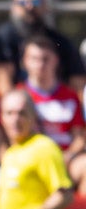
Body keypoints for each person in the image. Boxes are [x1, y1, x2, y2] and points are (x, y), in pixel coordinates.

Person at [0, 0, 86, 94]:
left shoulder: (59, 41)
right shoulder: (3, 38)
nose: (29, 6)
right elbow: (3, 83)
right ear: (13, 6)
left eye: (35, 2)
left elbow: (78, 83)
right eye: (22, 2)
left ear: (44, 5)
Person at [17, 35, 86, 186]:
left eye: (45, 59)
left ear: (56, 60)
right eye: (34, 59)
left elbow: (80, 136)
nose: (40, 64)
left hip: (67, 160)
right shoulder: (18, 96)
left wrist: (67, 156)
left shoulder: (70, 95)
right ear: (25, 61)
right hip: (33, 158)